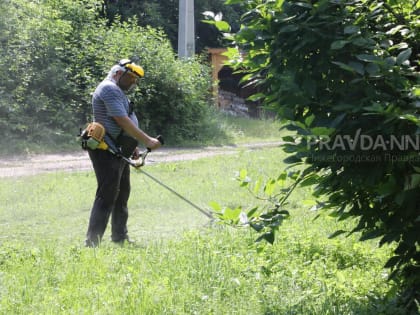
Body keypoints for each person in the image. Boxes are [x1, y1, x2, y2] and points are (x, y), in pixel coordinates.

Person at [85, 59, 161, 247]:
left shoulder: (117, 90)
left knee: (122, 193)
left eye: (136, 79)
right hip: (106, 149)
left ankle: (120, 236)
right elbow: (122, 120)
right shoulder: (109, 88)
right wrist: (148, 141)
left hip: (119, 148)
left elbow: (122, 122)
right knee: (107, 194)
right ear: (118, 73)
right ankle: (92, 243)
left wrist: (133, 146)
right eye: (131, 78)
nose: (133, 82)